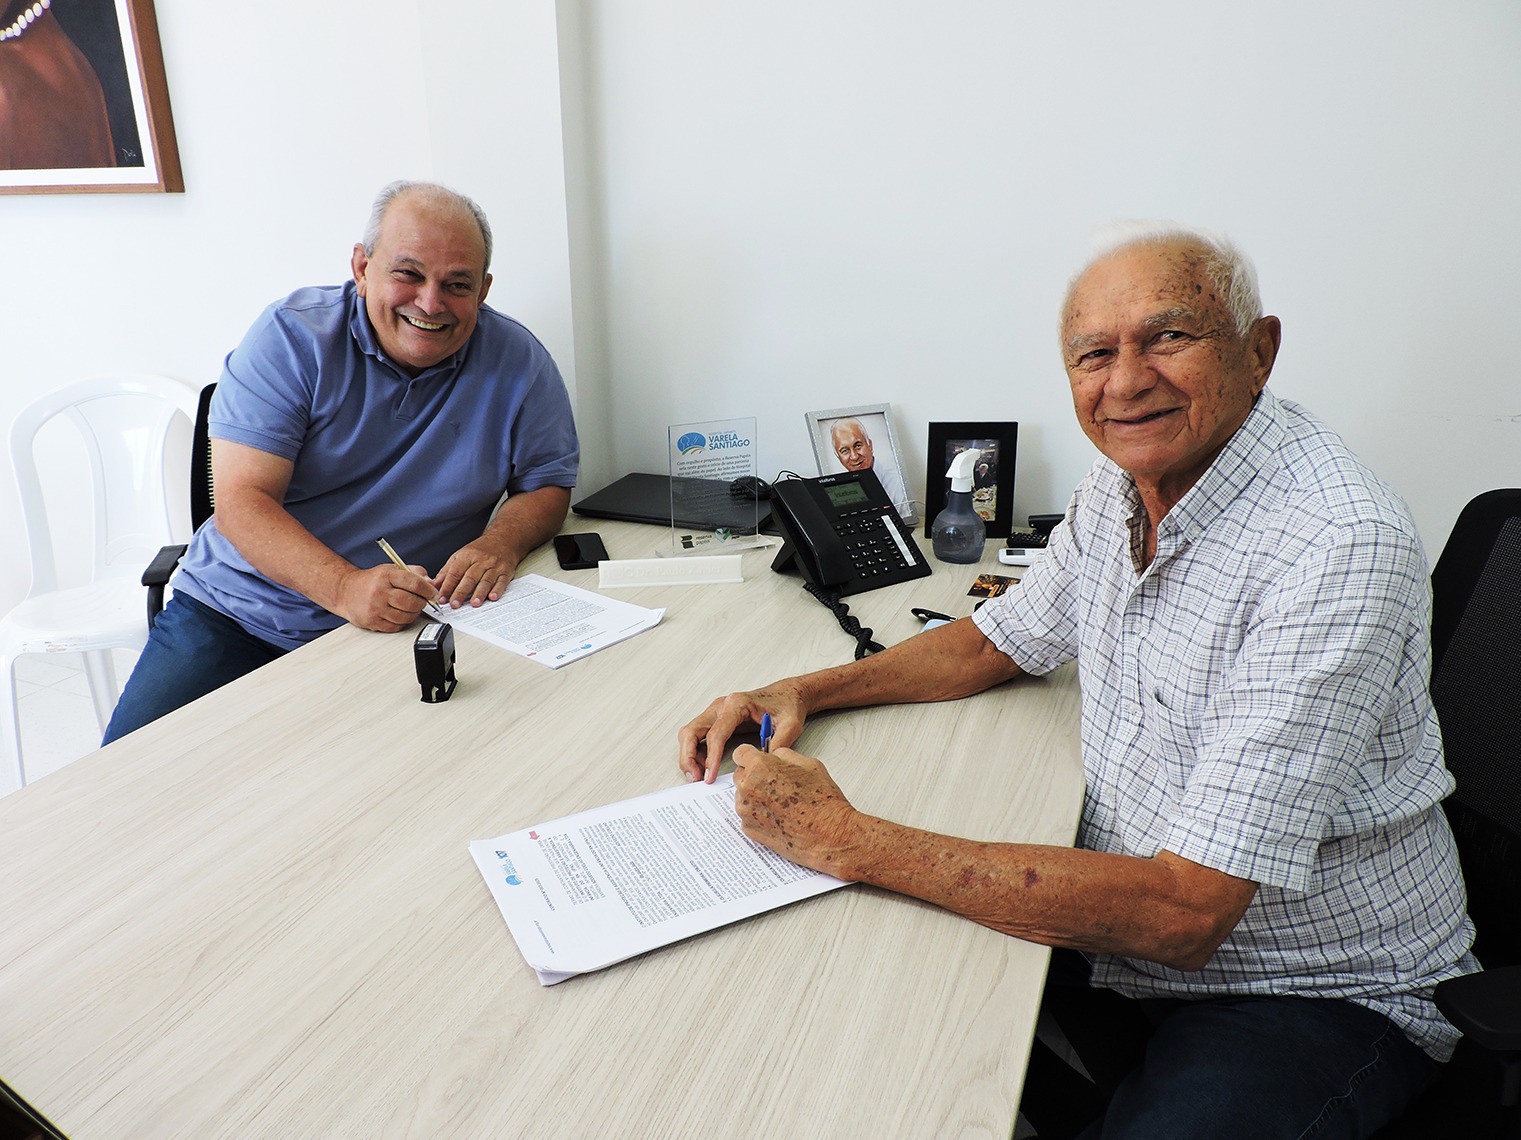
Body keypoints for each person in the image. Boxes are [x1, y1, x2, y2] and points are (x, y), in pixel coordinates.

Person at [679, 224, 1475, 1139]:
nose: (1125, 382)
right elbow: (992, 643)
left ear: (1258, 352)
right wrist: (800, 691)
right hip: (1123, 930)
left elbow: (1185, 913)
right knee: (834, 1017)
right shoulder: (1122, 482)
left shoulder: (1334, 546)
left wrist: (848, 839)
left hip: (1309, 986)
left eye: (1168, 337)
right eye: (1094, 354)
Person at [104, 180, 578, 743]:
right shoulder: (291, 338)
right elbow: (240, 501)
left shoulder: (519, 361)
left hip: (410, 622)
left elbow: (546, 485)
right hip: (238, 616)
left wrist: (499, 544)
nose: (431, 303)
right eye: (408, 274)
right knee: (126, 775)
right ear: (362, 267)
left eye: (457, 284)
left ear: (483, 290)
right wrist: (345, 588)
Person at [828, 416, 910, 518]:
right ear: (838, 456)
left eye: (858, 445)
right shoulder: (838, 493)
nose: (854, 456)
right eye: (845, 451)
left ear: (870, 445)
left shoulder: (898, 484)